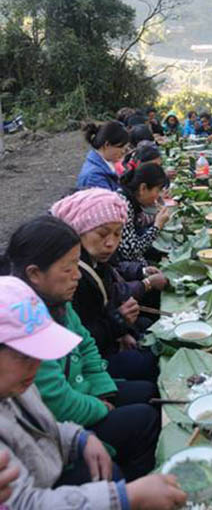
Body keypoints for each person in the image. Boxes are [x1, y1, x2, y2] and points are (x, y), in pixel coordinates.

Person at [0, 276, 187, 509]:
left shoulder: (16, 387)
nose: (37, 366)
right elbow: (25, 503)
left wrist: (78, 438)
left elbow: (41, 426)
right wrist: (124, 497)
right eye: (24, 356)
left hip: (50, 465)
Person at [1, 217, 161, 481]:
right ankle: (130, 481)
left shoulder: (59, 302)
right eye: (68, 268)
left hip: (78, 403)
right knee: (143, 418)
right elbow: (57, 402)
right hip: (64, 427)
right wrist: (99, 408)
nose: (77, 274)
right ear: (34, 274)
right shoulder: (23, 323)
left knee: (147, 393)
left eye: (77, 264)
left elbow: (85, 344)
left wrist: (103, 389)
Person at [51, 189, 165, 381]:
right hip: (89, 363)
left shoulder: (96, 259)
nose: (111, 243)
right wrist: (119, 322)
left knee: (148, 329)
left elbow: (114, 280)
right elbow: (80, 339)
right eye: (102, 234)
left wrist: (123, 329)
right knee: (150, 364)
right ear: (79, 230)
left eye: (117, 234)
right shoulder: (75, 277)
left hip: (108, 339)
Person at [117, 163, 170, 264]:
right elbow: (130, 252)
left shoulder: (130, 199)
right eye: (158, 190)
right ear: (143, 188)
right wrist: (157, 226)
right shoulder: (123, 205)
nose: (158, 196)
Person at [77, 121, 129, 191]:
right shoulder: (94, 177)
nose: (123, 152)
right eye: (121, 147)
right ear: (107, 145)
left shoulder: (106, 165)